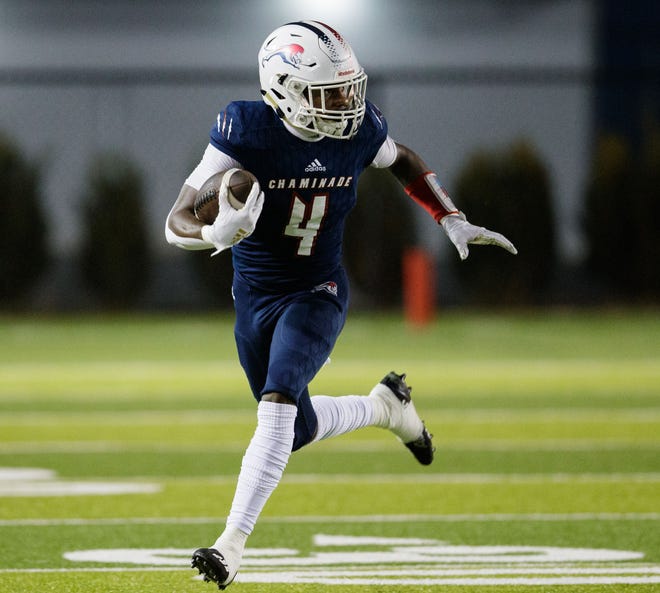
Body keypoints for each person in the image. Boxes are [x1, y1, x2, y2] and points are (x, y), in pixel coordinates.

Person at [165, 20, 516, 589]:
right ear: (283, 90)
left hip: (318, 291)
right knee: (294, 427)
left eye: (350, 90)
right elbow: (174, 221)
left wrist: (448, 214)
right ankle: (386, 408)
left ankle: (231, 545)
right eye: (329, 94)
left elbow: (400, 158)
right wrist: (213, 235)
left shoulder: (356, 132)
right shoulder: (243, 130)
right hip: (254, 297)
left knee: (277, 405)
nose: (347, 106)